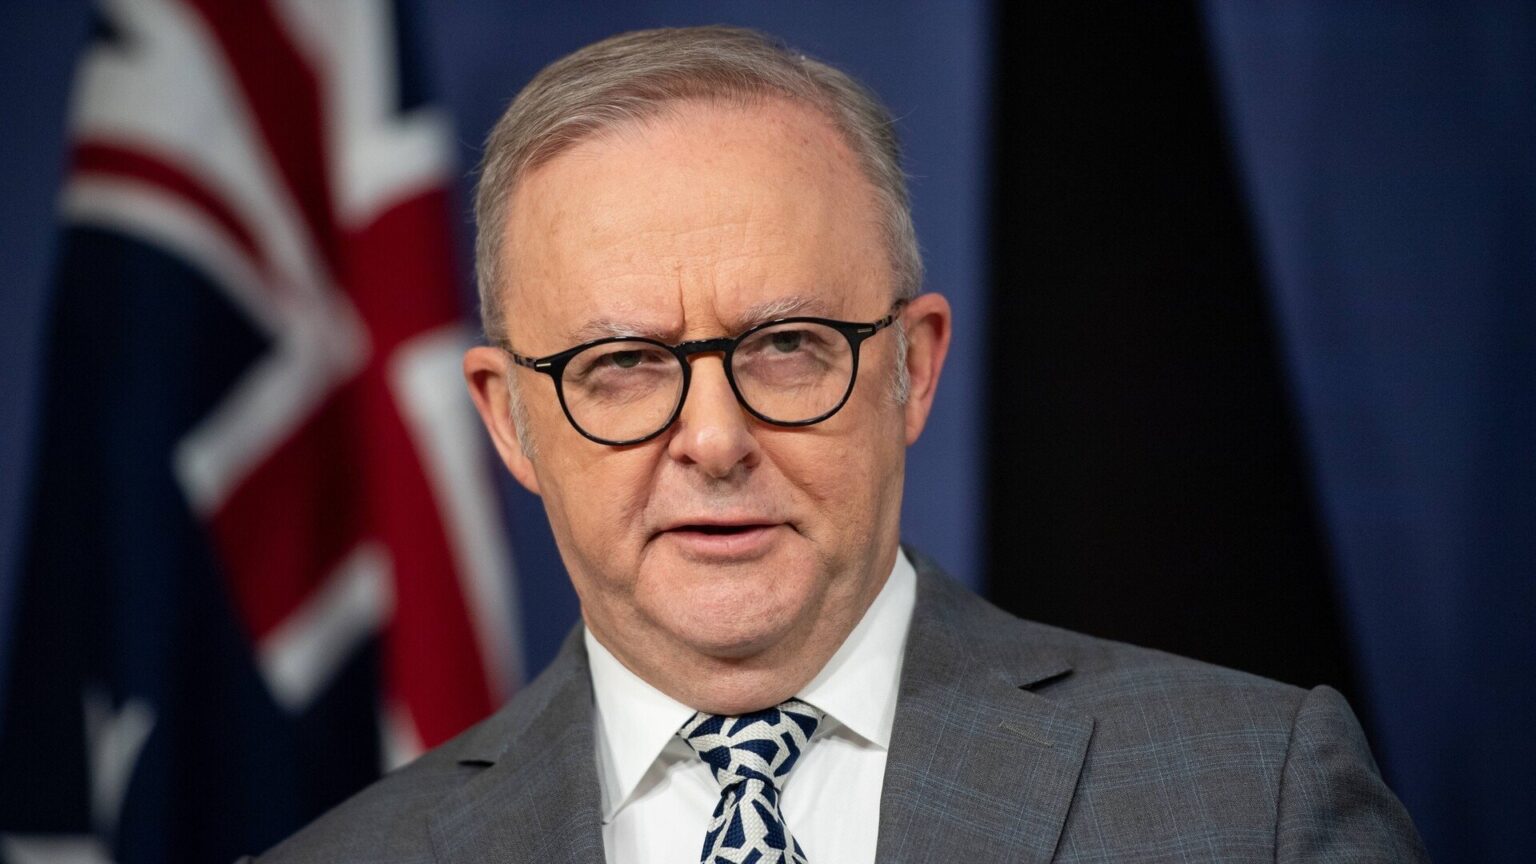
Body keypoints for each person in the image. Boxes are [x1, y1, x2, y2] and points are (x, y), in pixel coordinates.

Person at [248, 25, 1427, 864]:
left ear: (913, 366)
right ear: (510, 418)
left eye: (787, 347)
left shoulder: (1254, 801)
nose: (715, 440)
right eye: (623, 366)